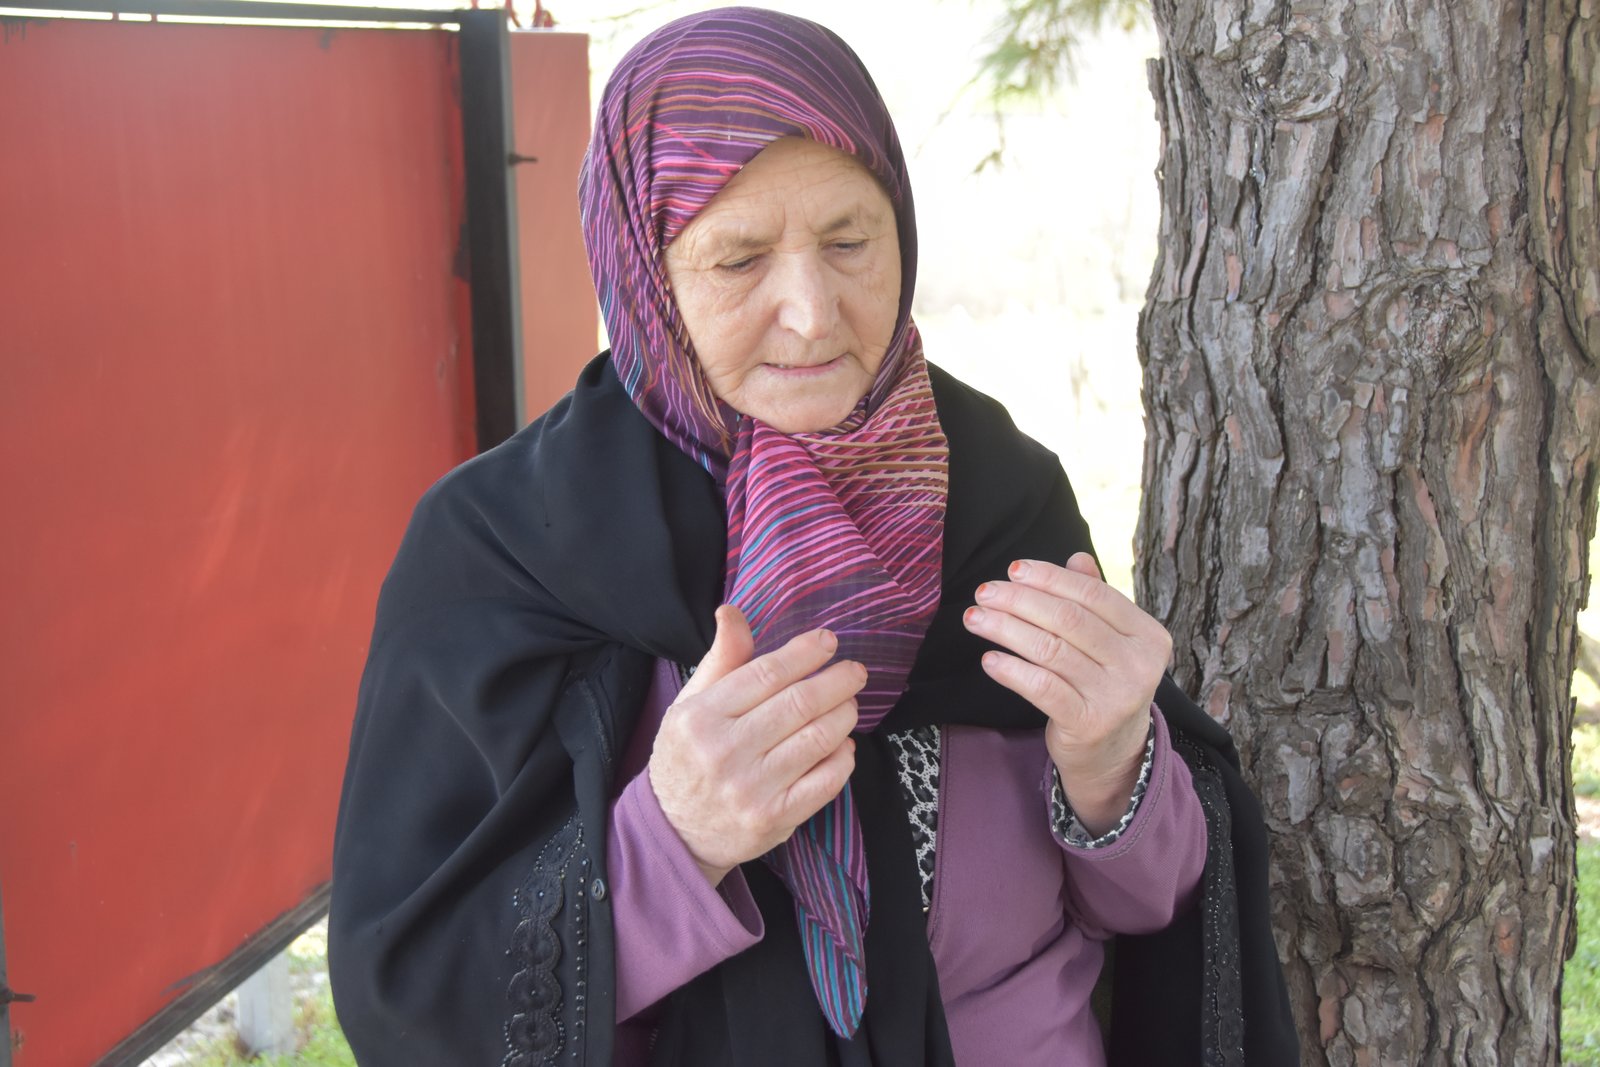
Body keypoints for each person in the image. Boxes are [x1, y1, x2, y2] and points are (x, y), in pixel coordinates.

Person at [328, 7, 1299, 1065]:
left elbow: (1149, 905)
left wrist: (1113, 769)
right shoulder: (503, 552)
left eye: (849, 242)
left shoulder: (998, 494)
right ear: (643, 273)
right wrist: (672, 842)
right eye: (739, 259)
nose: (812, 312)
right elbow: (417, 996)